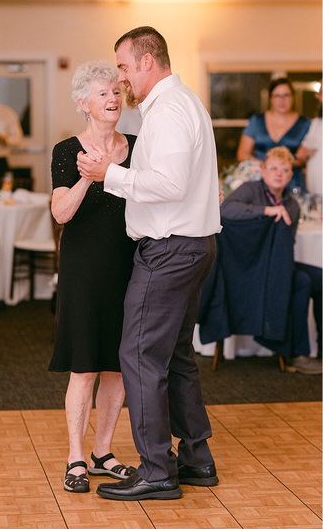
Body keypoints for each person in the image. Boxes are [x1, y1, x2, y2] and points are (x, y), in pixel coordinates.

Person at [76, 26, 221, 501]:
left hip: (171, 250)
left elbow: (171, 183)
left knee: (137, 355)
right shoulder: (180, 105)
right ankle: (196, 459)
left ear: (146, 61)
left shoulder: (171, 110)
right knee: (176, 356)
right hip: (190, 245)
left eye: (123, 67)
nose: (121, 80)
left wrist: (109, 175)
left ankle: (157, 469)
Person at [49, 61, 136, 493]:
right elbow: (61, 213)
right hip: (83, 272)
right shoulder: (67, 151)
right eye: (103, 93)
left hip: (131, 268)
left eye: (117, 91)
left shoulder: (138, 146)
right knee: (84, 368)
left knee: (117, 367)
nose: (113, 99)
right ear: (84, 104)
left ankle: (103, 451)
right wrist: (87, 177)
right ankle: (75, 457)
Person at [220, 146, 322, 374]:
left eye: (285, 170)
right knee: (302, 281)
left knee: (319, 278)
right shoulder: (250, 190)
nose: (279, 174)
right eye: (274, 168)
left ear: (290, 175)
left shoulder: (292, 205)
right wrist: (267, 211)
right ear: (263, 171)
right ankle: (297, 353)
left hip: (275, 263)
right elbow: (226, 211)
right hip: (248, 267)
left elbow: (286, 243)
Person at [237, 73, 310, 192]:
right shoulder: (256, 121)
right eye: (277, 96)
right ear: (270, 98)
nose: (282, 100)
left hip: (292, 183)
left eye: (286, 95)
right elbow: (242, 154)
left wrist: (285, 166)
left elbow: (305, 159)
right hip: (260, 180)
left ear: (293, 97)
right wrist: (267, 166)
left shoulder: (305, 124)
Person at [296, 86, 323, 199]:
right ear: (319, 97)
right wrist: (302, 155)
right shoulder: (316, 124)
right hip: (315, 193)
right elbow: (300, 154)